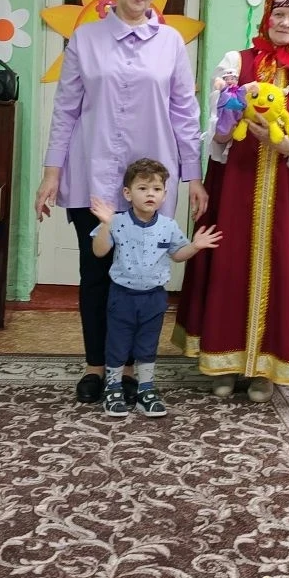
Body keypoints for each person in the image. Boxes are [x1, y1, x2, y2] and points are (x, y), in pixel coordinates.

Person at [34, 0, 207, 405]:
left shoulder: (171, 44)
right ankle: (96, 367)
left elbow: (184, 112)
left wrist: (194, 176)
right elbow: (66, 111)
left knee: (142, 278)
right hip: (91, 177)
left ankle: (130, 369)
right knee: (96, 275)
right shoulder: (85, 39)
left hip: (150, 188)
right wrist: (51, 174)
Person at [173, 0, 289, 402]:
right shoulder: (236, 62)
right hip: (236, 182)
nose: (286, 22)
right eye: (279, 13)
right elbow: (216, 131)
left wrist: (283, 144)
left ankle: (266, 368)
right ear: (267, 15)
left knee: (280, 265)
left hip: (287, 191)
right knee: (229, 263)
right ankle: (223, 360)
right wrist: (229, 118)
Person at [91, 158, 222, 418]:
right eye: (142, 188)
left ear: (164, 194)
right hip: (122, 297)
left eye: (157, 189)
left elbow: (177, 255)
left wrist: (195, 246)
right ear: (128, 193)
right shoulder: (116, 221)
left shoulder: (168, 226)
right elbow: (99, 251)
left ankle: (146, 390)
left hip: (154, 298)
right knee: (117, 343)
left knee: (147, 345)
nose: (150, 194)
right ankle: (113, 388)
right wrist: (106, 224)